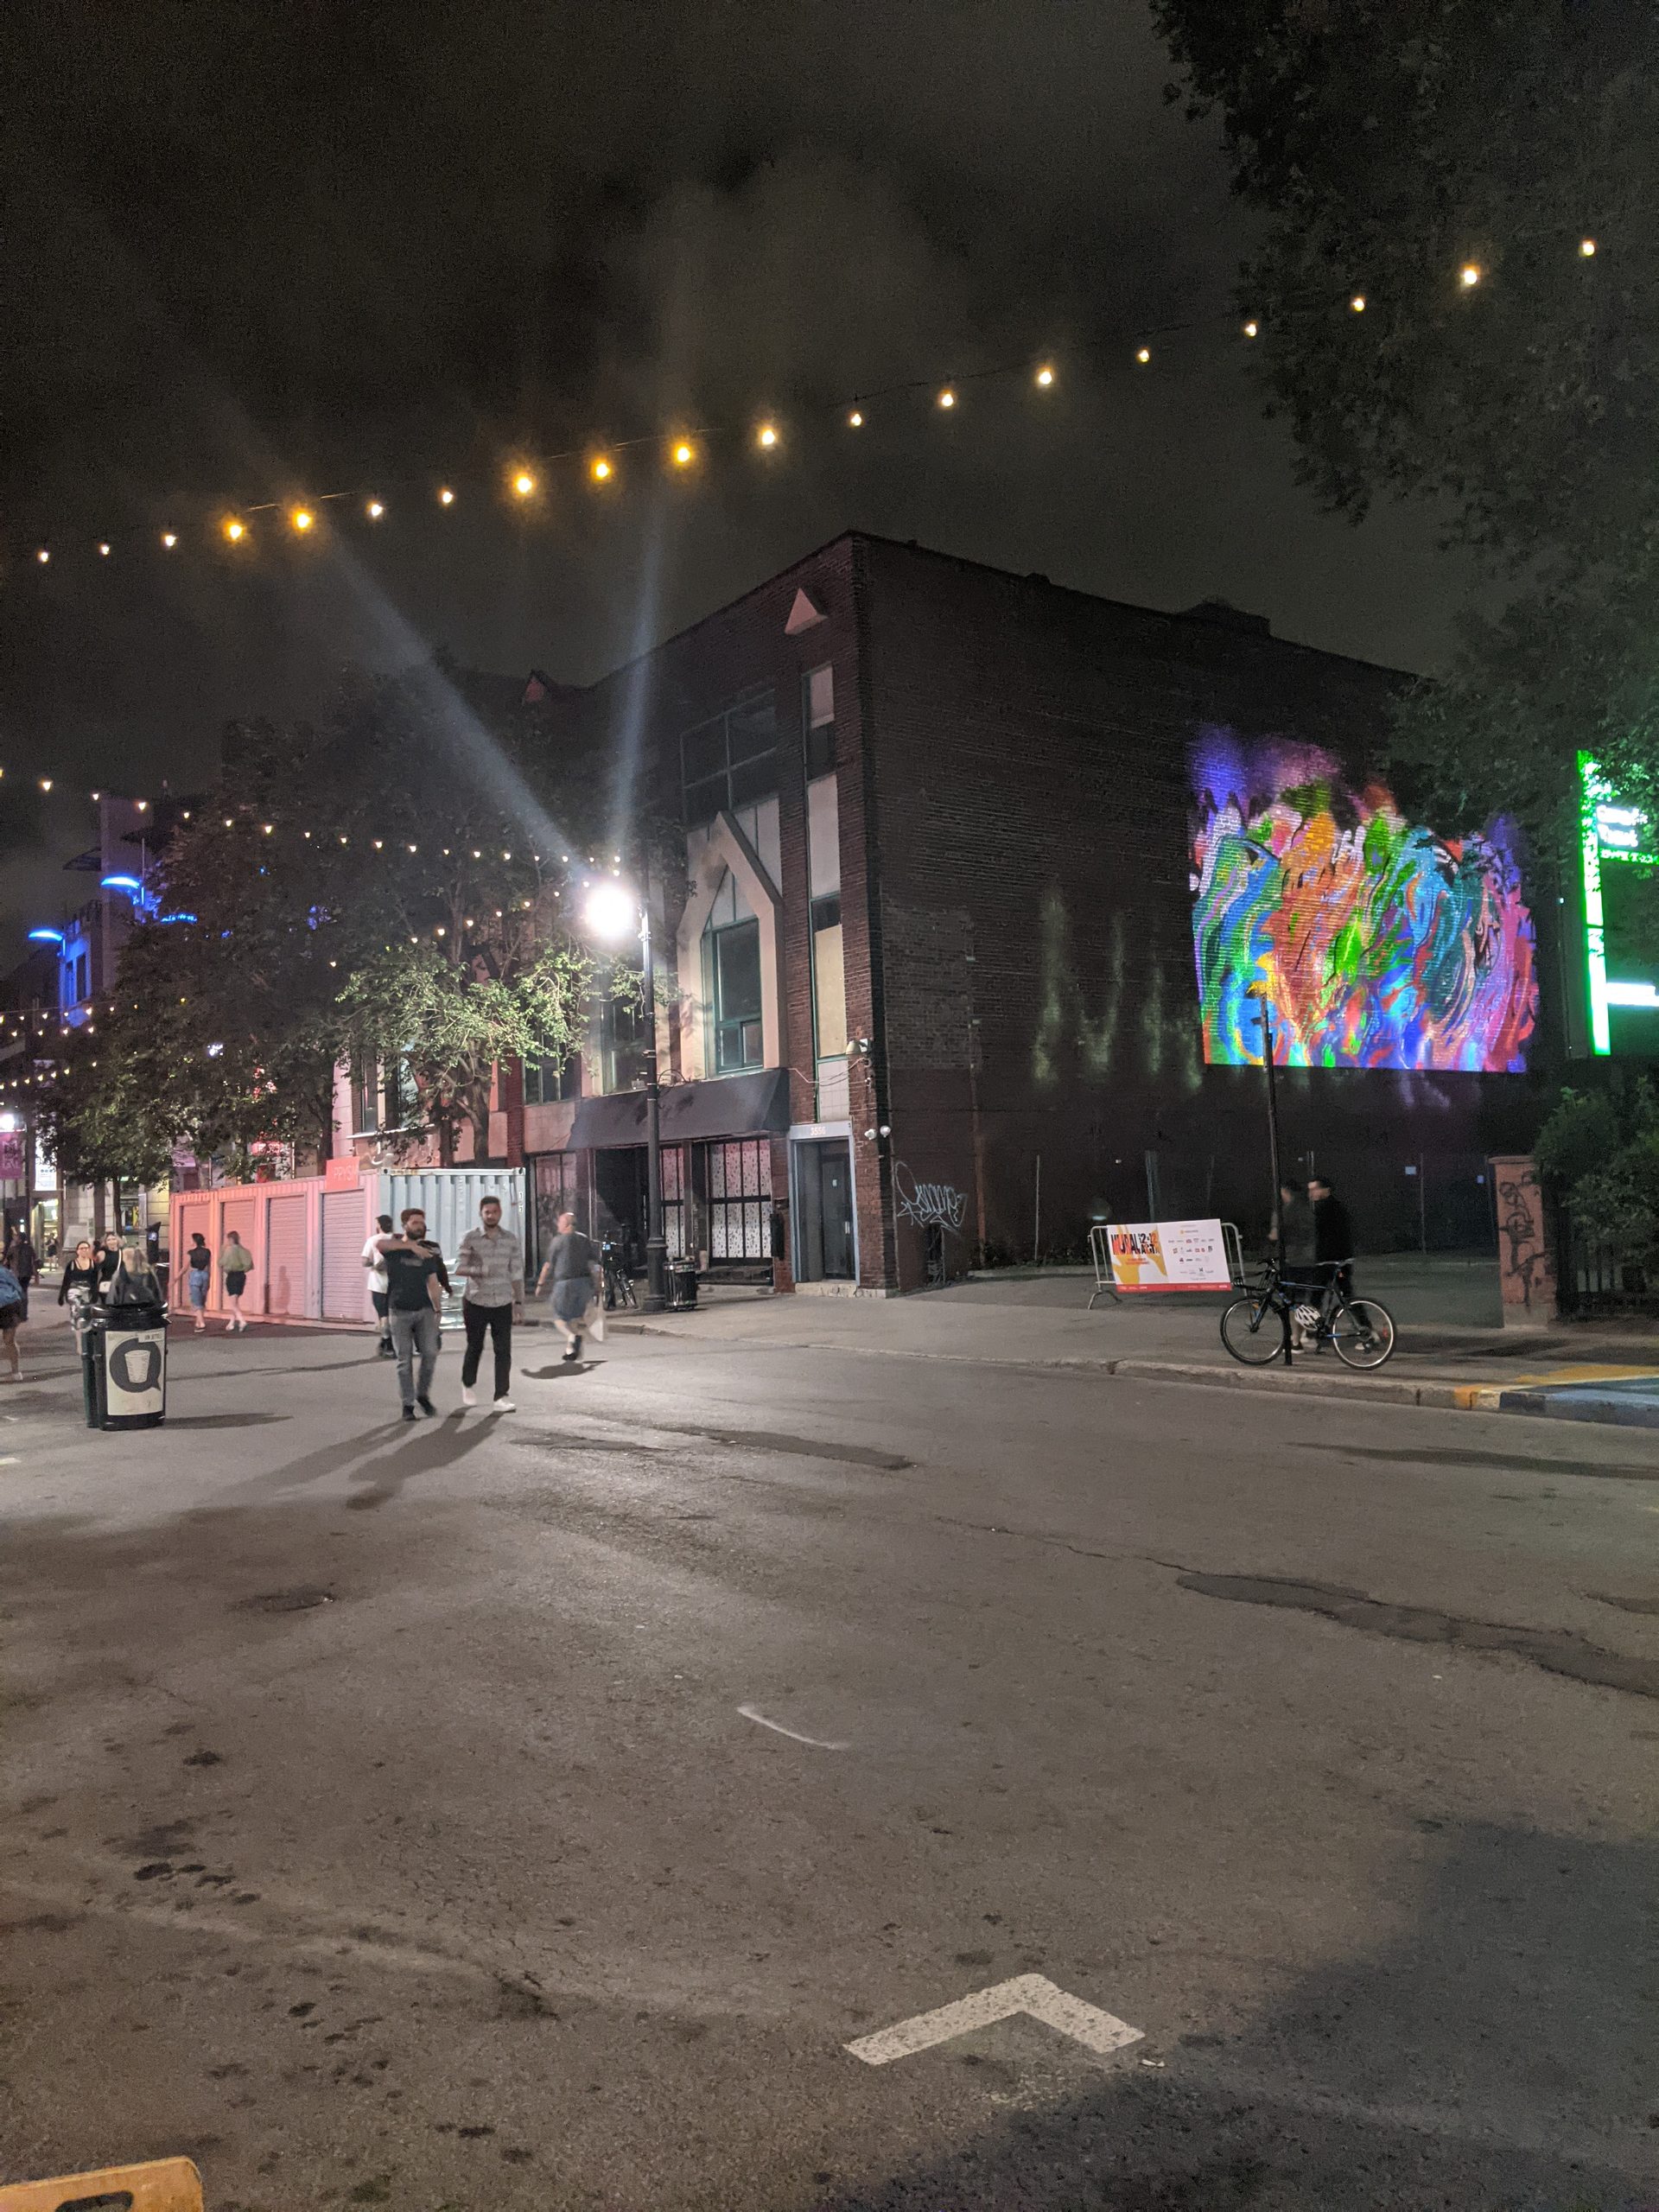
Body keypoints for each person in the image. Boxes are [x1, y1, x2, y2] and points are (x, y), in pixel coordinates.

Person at [375, 1206, 449, 1420]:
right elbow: (380, 1244)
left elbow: (433, 1282)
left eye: (422, 1223)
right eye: (415, 1222)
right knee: (403, 1359)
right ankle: (407, 1405)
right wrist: (409, 1247)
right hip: (399, 1311)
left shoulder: (428, 1251)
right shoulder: (394, 1248)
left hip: (424, 1310)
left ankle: (422, 1394)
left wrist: (438, 1309)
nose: (420, 1226)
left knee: (430, 1353)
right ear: (405, 1225)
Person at [455, 1195, 523, 1411]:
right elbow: (459, 1267)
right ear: (481, 1213)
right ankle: (467, 1383)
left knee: (503, 1350)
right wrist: (481, 1271)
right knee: (475, 1346)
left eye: (494, 1212)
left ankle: (501, 1396)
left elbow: (517, 1272)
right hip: (476, 1300)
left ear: (500, 1213)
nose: (491, 1215)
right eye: (487, 1212)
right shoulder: (470, 1238)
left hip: (502, 1300)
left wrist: (519, 1302)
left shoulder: (510, 1239)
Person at [536, 1208, 601, 1362]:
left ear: (566, 1225)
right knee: (576, 1317)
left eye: (560, 1222)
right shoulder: (584, 1239)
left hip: (564, 1284)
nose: (557, 1224)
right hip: (584, 1283)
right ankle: (571, 1349)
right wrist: (597, 1284)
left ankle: (572, 1337)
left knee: (560, 1318)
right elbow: (594, 1263)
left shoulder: (557, 1241)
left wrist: (540, 1283)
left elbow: (548, 1265)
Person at [1308, 1174, 1357, 1313]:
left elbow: (1319, 1235)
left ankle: (1312, 1333)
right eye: (1310, 1189)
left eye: (1315, 1189)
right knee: (1347, 1296)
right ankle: (1366, 1328)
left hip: (1329, 1261)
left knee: (1315, 1298)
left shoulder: (1325, 1209)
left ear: (1326, 1189)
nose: (1311, 1193)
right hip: (1341, 1259)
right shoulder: (1337, 1206)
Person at [362, 1213, 395, 1357]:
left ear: (379, 1226)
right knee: (395, 1313)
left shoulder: (373, 1240)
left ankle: (388, 1343)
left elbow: (364, 1261)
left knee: (383, 1315)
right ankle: (385, 1341)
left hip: (378, 1283)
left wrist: (374, 1264)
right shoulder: (398, 1239)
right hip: (397, 1282)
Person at [219, 1229, 255, 1332]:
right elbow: (249, 1264)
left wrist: (222, 1249)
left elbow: (221, 1263)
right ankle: (231, 1323)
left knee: (233, 1303)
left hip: (232, 1276)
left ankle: (242, 1321)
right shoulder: (244, 1250)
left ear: (230, 1239)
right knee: (236, 1300)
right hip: (241, 1276)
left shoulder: (229, 1251)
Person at [58, 1238, 100, 1313]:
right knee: (77, 1312)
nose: (84, 1250)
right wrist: (61, 1296)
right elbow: (66, 1280)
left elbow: (94, 1281)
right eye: (82, 1248)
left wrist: (95, 1294)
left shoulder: (93, 1264)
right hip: (74, 1292)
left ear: (89, 1250)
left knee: (87, 1314)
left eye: (86, 1248)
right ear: (77, 1251)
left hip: (87, 1293)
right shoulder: (72, 1264)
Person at [4, 1224, 35, 1321]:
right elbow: (34, 1261)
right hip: (26, 1274)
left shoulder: (13, 1249)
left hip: (16, 1274)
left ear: (19, 1239)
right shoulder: (29, 1248)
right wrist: (36, 1275)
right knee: (24, 1293)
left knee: (16, 1294)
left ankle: (17, 1314)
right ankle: (24, 1315)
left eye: (16, 1237)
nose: (15, 1238)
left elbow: (6, 1261)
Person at [183, 1230, 213, 1332]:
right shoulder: (207, 1252)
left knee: (196, 1300)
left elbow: (185, 1268)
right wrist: (210, 1277)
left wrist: (175, 1279)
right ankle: (198, 1321)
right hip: (205, 1275)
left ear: (194, 1241)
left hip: (195, 1275)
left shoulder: (191, 1253)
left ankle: (202, 1323)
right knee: (202, 1299)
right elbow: (209, 1266)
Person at [0, 1259, 24, 1381]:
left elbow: (19, 1290)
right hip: (10, 1306)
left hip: (9, 1307)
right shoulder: (6, 1272)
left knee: (9, 1340)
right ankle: (16, 1372)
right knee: (9, 1341)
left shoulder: (5, 1272)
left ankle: (16, 1372)